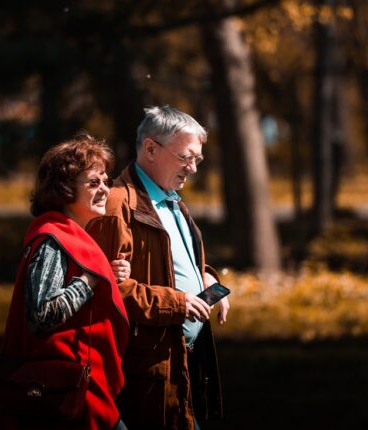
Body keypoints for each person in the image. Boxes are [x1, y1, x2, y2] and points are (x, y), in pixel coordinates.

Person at [86, 106, 227, 429]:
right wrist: (178, 302)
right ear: (150, 148)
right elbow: (107, 289)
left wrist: (206, 276)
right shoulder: (117, 203)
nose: (192, 168)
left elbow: (175, 259)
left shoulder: (171, 197)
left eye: (197, 160)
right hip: (147, 370)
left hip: (182, 362)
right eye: (185, 157)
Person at [0, 133, 131, 430]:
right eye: (93, 182)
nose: (104, 189)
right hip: (64, 391)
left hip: (75, 386)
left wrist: (106, 278)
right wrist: (90, 281)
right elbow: (41, 315)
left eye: (106, 180)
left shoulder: (69, 235)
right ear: (64, 189)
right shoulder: (53, 238)